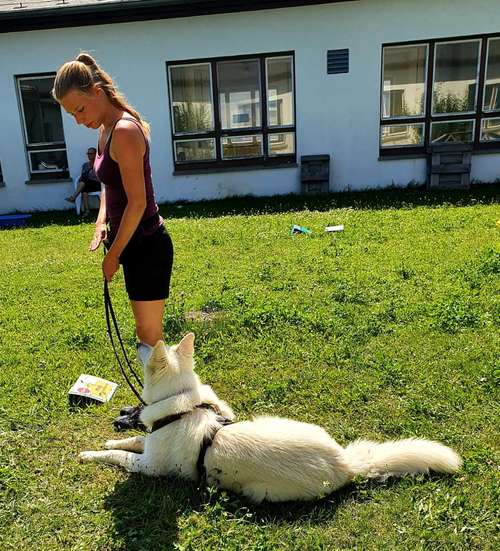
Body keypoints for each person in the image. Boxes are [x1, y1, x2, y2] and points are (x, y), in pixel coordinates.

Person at [53, 52, 174, 429]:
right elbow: (110, 187)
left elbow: (138, 202)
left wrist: (114, 256)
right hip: (129, 243)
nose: (78, 119)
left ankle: (163, 408)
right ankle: (157, 403)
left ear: (96, 91)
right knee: (147, 333)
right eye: (71, 114)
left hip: (146, 245)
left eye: (79, 108)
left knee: (150, 335)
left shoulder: (124, 130)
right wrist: (102, 221)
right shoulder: (104, 130)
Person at [65, 147, 101, 215]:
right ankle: (87, 210)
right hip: (87, 184)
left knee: (85, 181)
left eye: (90, 153)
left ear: (95, 154)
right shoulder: (85, 165)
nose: (88, 155)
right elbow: (82, 176)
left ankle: (73, 197)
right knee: (84, 190)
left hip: (97, 184)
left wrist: (91, 177)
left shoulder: (99, 164)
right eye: (88, 153)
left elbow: (101, 178)